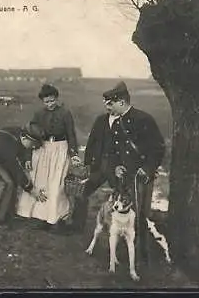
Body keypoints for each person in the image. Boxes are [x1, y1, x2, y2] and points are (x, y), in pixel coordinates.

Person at [78, 81, 165, 265]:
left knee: (140, 216)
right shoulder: (118, 123)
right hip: (123, 178)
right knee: (122, 215)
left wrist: (148, 168)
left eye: (112, 103)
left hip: (140, 177)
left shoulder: (143, 119)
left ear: (122, 102)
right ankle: (123, 252)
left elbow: (158, 147)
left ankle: (142, 257)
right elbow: (113, 152)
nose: (109, 107)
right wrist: (115, 167)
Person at [16, 84, 81, 233]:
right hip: (43, 149)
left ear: (57, 99)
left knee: (56, 185)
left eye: (52, 101)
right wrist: (27, 157)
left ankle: (56, 218)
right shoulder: (38, 114)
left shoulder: (65, 113)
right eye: (46, 102)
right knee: (41, 183)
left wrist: (74, 154)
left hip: (60, 148)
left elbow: (71, 134)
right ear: (42, 102)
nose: (50, 104)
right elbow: (30, 135)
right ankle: (41, 218)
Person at [0, 123, 46, 229]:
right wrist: (30, 188)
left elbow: (22, 150)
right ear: (24, 137)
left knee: (13, 183)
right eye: (33, 144)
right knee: (5, 184)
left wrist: (25, 160)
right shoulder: (8, 145)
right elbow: (15, 169)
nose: (33, 148)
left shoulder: (19, 135)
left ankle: (7, 213)